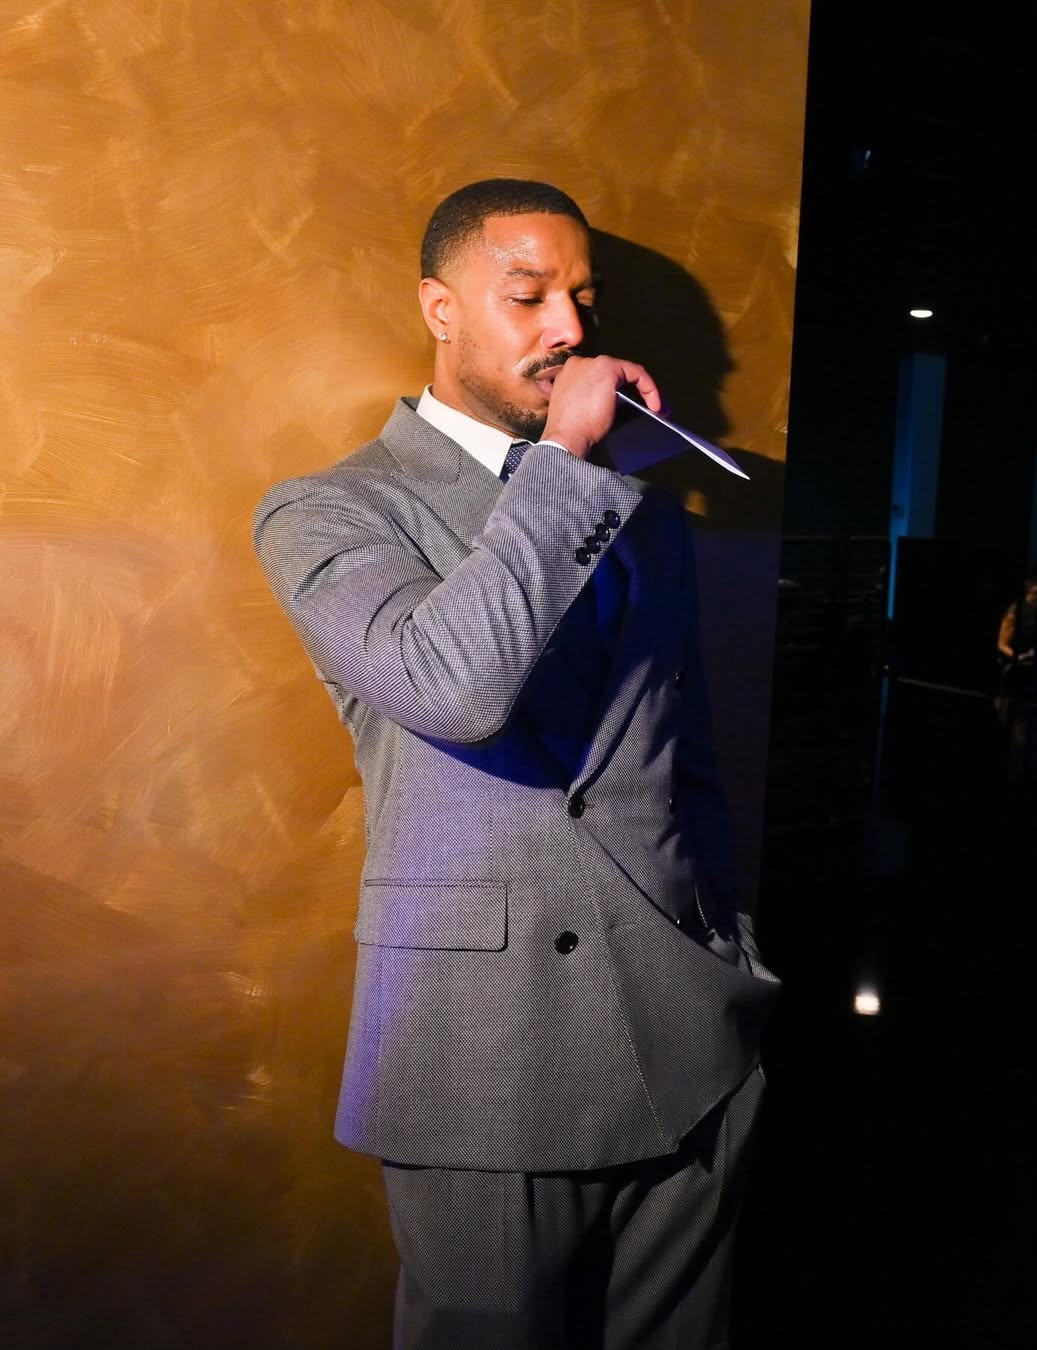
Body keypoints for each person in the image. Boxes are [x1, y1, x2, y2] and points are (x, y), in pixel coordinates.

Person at [254, 179, 778, 1350]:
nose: (570, 329)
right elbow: (454, 687)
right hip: (483, 1047)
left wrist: (729, 953)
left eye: (582, 299)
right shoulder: (327, 512)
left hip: (690, 1034)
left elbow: (686, 755)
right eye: (529, 295)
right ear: (440, 308)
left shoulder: (646, 518)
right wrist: (572, 456)